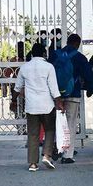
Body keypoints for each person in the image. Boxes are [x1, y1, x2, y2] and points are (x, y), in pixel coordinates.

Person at [11, 43, 63, 171]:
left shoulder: (25, 67)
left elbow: (17, 87)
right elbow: (54, 88)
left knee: (33, 134)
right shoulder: (49, 67)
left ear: (32, 54)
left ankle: (33, 164)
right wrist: (59, 102)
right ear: (44, 54)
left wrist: (13, 100)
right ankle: (46, 155)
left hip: (32, 107)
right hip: (47, 106)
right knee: (50, 130)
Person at [49, 34, 93, 164]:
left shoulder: (55, 55)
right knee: (71, 123)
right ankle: (67, 155)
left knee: (57, 123)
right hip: (73, 94)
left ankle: (57, 147)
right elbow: (88, 75)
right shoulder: (80, 57)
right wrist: (90, 89)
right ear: (78, 44)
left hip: (56, 95)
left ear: (67, 42)